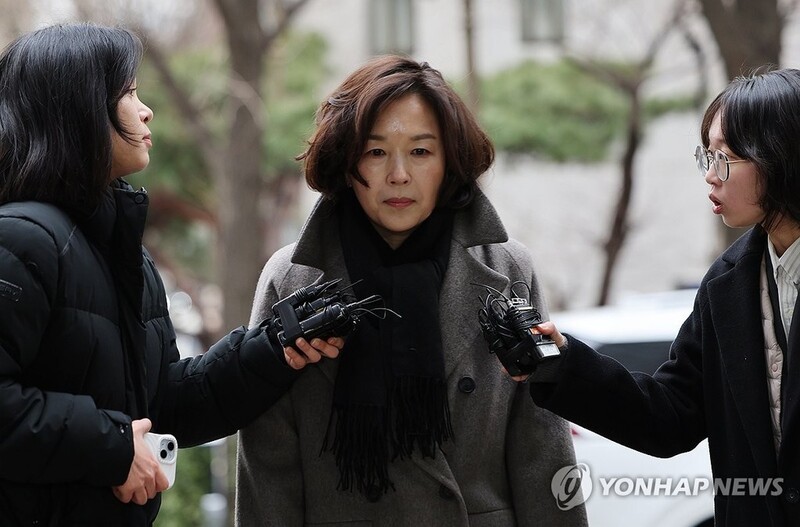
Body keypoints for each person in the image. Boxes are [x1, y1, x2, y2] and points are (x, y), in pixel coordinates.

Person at [0, 23, 342, 526]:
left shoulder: (120, 253)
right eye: (128, 93)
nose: (146, 111)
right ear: (78, 109)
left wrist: (272, 349)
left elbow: (161, 404)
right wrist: (113, 447)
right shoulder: (20, 238)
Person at [235, 55, 587, 526]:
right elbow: (268, 466)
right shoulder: (293, 279)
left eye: (420, 152)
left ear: (450, 161)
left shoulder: (506, 268)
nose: (398, 174)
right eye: (375, 152)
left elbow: (541, 447)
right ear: (345, 161)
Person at [518, 67, 800, 527]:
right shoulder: (727, 284)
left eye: (726, 158)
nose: (710, 176)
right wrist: (559, 361)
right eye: (707, 156)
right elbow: (671, 416)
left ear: (781, 157)